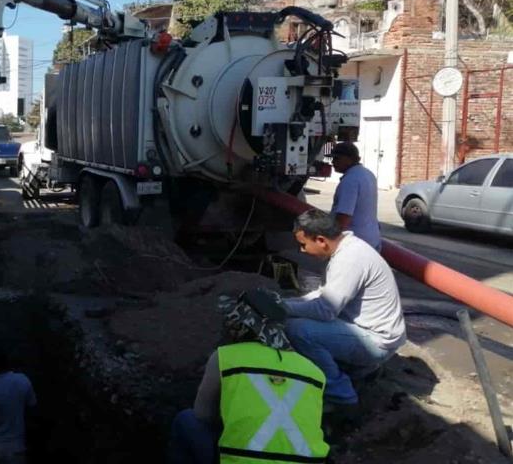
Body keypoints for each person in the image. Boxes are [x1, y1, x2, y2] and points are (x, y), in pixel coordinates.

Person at [167, 290, 329, 464]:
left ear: (241, 322)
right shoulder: (314, 372)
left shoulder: (224, 357)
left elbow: (202, 414)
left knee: (187, 420)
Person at [286, 209, 406, 406]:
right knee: (297, 316)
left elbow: (325, 310)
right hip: (368, 331)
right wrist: (289, 303)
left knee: (297, 330)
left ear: (321, 240)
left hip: (376, 341)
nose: (302, 250)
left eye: (303, 244)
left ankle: (340, 395)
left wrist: (283, 307)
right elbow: (323, 295)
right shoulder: (347, 249)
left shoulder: (349, 259)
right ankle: (358, 369)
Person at [330, 142, 381, 250]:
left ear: (349, 159)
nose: (333, 162)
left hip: (355, 244)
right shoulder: (367, 174)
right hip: (372, 240)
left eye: (337, 158)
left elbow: (344, 217)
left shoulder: (350, 180)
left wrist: (332, 241)